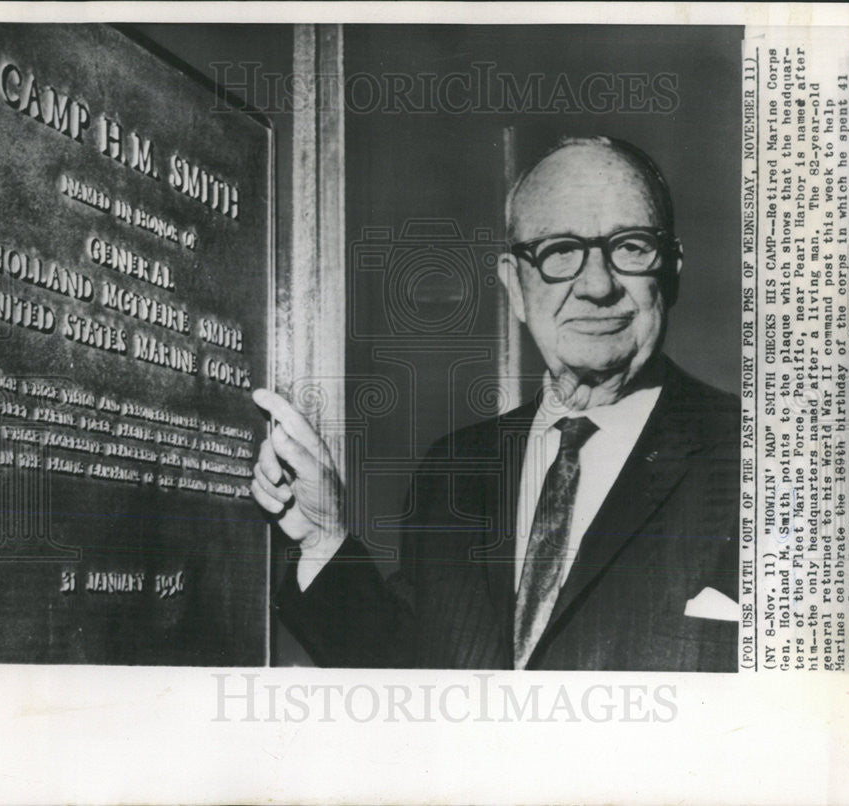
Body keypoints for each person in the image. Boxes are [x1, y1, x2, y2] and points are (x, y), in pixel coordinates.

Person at [252, 136, 740, 671]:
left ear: (670, 270)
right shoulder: (454, 470)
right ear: (514, 285)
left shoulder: (766, 464)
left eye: (630, 246)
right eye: (560, 252)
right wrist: (325, 537)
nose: (598, 285)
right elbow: (410, 678)